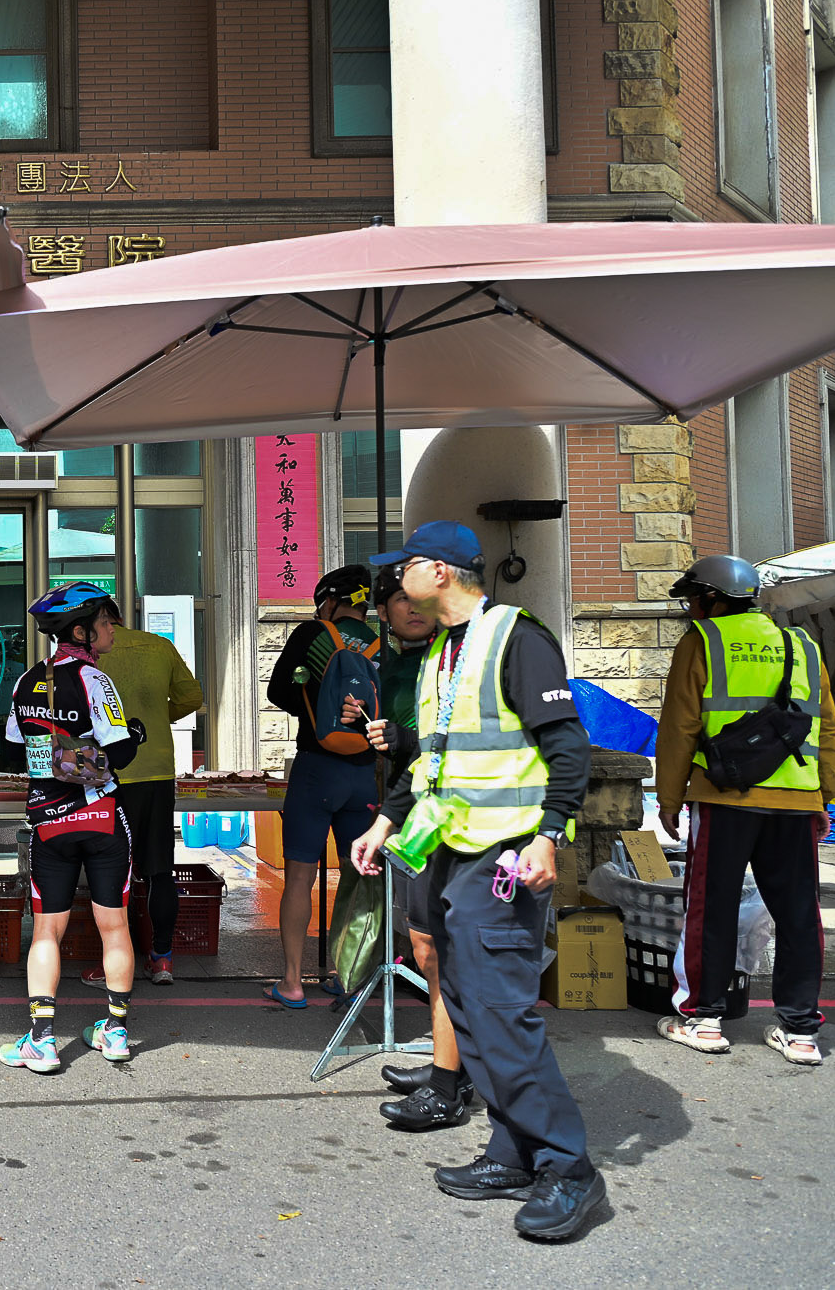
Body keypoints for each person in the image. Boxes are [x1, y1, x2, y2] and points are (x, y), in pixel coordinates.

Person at [353, 521, 604, 1243]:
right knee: (466, 1005)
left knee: (499, 1010)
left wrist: (549, 833)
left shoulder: (515, 638)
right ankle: (513, 1150)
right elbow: (432, 760)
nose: (394, 583)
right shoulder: (442, 651)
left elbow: (567, 746)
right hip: (449, 852)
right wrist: (387, 820)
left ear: (439, 571)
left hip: (503, 857)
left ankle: (568, 1167)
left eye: (403, 568)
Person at [654, 554, 835, 1066]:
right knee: (799, 914)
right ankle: (800, 1032)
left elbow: (679, 726)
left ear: (712, 599)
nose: (692, 609)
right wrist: (824, 795)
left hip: (724, 799)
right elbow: (826, 727)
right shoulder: (803, 645)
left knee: (710, 907)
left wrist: (669, 799)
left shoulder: (702, 641)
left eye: (694, 599)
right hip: (796, 801)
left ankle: (703, 1020)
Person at [0, 582, 145, 1074]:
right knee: (114, 924)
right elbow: (121, 751)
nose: (112, 629)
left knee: (47, 929)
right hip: (102, 817)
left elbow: (15, 746)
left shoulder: (26, 681)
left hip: (48, 819)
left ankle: (42, 1041)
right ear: (80, 632)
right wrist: (135, 732)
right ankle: (116, 1032)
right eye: (105, 622)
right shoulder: (94, 679)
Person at [346, 565, 467, 1132]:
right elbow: (417, 758)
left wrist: (405, 740)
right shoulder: (390, 664)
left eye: (422, 596)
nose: (414, 607)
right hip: (415, 815)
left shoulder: (462, 656)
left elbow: (455, 745)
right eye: (400, 599)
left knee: (454, 952)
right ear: (383, 611)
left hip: (464, 824)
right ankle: (449, 1068)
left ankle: (456, 1081)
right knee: (424, 945)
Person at [264, 565, 380, 1006]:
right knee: (358, 876)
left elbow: (278, 692)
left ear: (330, 601)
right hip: (363, 774)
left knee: (299, 876)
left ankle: (292, 982)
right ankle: (348, 976)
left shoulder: (313, 634)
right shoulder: (380, 644)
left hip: (316, 768)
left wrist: (315, 704)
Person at [95, 601, 203, 986]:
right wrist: (158, 715)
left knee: (111, 872)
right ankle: (162, 958)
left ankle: (112, 962)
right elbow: (192, 697)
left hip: (107, 774)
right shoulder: (159, 646)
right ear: (121, 619)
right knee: (159, 869)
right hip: (156, 770)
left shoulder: (92, 653)